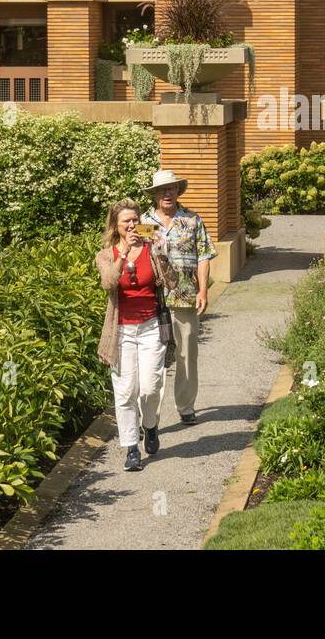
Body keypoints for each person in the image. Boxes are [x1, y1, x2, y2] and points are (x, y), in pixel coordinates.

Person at [96, 199, 178, 472]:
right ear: (116, 226)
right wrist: (124, 254)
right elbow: (108, 282)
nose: (132, 225)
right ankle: (131, 448)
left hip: (150, 326)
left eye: (135, 220)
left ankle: (150, 426)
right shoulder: (106, 254)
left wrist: (160, 251)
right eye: (126, 222)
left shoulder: (151, 249)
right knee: (125, 391)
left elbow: (172, 282)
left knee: (151, 386)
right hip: (121, 330)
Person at [140, 170, 215, 425]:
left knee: (186, 353)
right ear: (155, 194)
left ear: (177, 191)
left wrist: (203, 289)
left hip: (185, 297)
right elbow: (137, 257)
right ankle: (150, 417)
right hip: (154, 300)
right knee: (155, 357)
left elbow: (204, 256)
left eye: (171, 189)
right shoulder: (144, 222)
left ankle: (185, 406)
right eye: (162, 190)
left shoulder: (192, 220)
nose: (167, 193)